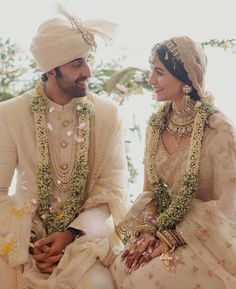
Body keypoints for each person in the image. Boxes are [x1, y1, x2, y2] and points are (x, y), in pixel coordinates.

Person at [0, 5, 128, 289]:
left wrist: (71, 234)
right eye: (77, 64)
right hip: (23, 240)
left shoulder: (107, 116)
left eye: (87, 60)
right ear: (51, 70)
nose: (88, 71)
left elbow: (113, 189)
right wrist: (27, 241)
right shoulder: (10, 114)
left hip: (86, 240)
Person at [111, 36, 236, 289]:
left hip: (208, 237)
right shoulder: (155, 126)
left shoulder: (219, 131)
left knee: (145, 279)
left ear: (185, 78)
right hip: (162, 226)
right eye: (151, 71)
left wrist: (173, 237)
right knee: (121, 266)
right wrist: (146, 233)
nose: (150, 80)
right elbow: (150, 193)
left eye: (159, 72)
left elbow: (228, 206)